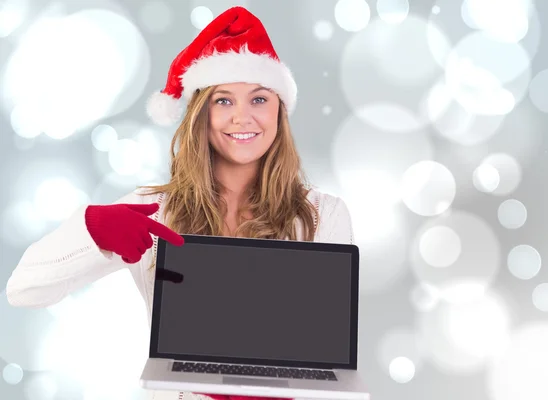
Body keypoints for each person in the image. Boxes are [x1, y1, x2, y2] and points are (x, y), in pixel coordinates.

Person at [5, 6, 354, 400]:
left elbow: (332, 367)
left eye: (259, 99)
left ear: (279, 111)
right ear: (199, 114)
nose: (243, 118)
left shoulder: (322, 215)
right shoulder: (155, 210)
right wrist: (95, 232)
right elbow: (24, 289)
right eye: (223, 101)